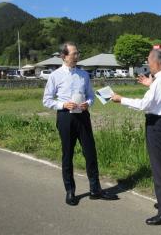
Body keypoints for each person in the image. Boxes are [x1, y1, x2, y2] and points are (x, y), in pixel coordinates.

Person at [112, 47, 161, 225]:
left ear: (157, 62)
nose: (148, 66)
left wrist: (121, 99)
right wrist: (150, 84)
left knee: (160, 167)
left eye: (149, 62)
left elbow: (146, 104)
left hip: (158, 124)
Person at [43, 42, 116, 206]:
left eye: (78, 53)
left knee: (90, 152)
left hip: (83, 116)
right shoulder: (55, 76)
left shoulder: (84, 74)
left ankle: (95, 190)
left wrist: (88, 103)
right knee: (67, 154)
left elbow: (90, 95)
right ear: (64, 56)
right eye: (74, 53)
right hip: (65, 117)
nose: (77, 56)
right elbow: (46, 100)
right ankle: (70, 191)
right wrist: (62, 105)